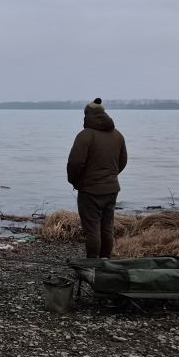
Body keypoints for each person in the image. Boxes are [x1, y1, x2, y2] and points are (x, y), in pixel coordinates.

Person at [66, 98, 128, 259]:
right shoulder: (118, 135)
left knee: (92, 227)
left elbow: (75, 163)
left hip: (90, 190)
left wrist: (75, 181)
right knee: (107, 226)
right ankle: (105, 260)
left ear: (87, 116)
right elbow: (123, 161)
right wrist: (110, 177)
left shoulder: (85, 136)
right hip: (112, 188)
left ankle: (93, 262)